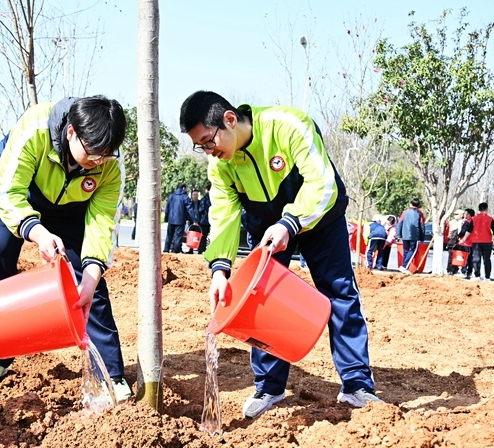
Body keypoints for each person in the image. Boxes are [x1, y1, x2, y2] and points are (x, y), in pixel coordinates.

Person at [179, 90, 381, 419]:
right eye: (200, 146)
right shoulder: (222, 166)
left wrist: (291, 221)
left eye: (207, 141)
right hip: (268, 229)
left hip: (318, 218)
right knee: (260, 298)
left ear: (229, 120)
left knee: (339, 291)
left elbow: (322, 182)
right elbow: (224, 217)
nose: (208, 152)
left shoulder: (287, 125)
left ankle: (357, 384)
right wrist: (220, 270)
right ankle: (269, 386)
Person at [0, 95, 132, 403]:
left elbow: (102, 222)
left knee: (91, 285)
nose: (97, 162)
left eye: (105, 156)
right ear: (71, 132)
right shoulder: (35, 129)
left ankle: (111, 374)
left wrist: (93, 269)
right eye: (92, 154)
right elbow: (8, 190)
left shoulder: (110, 162)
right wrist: (36, 231)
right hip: (16, 191)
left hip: (72, 207)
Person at [468, 202, 494, 281]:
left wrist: (464, 239)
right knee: (487, 260)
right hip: (487, 241)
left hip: (476, 242)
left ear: (479, 209)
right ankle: (487, 277)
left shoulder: (473, 219)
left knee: (476, 259)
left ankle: (477, 276)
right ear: (486, 209)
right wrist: (493, 240)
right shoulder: (490, 219)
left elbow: (469, 230)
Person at [163, 182, 196, 253]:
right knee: (178, 237)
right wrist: (194, 220)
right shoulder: (185, 197)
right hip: (180, 220)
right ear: (183, 188)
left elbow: (167, 208)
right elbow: (190, 209)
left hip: (171, 219)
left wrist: (166, 218)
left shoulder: (171, 196)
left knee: (169, 235)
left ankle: (166, 249)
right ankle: (176, 251)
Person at [396, 198, 425, 274]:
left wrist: (398, 235)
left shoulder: (405, 212)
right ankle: (404, 266)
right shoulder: (419, 213)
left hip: (405, 234)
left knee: (406, 251)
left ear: (411, 204)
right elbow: (422, 226)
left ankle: (404, 267)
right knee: (413, 250)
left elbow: (400, 223)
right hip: (414, 235)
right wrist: (422, 238)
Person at [445, 209, 465, 275]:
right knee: (451, 256)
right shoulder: (451, 222)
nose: (455, 215)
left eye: (457, 214)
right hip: (451, 241)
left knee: (459, 256)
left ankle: (457, 269)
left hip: (460, 242)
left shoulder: (464, 222)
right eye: (454, 214)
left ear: (461, 215)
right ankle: (450, 269)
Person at [457, 209, 475, 279]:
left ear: (469, 215)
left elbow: (463, 232)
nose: (464, 215)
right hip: (473, 243)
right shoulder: (475, 221)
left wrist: (458, 235)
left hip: (465, 243)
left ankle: (463, 272)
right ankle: (469, 273)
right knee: (471, 259)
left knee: (464, 258)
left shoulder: (467, 222)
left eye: (465, 214)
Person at [198, 184, 211, 253]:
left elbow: (200, 209)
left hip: (204, 220)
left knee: (202, 235)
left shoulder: (204, 199)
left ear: (207, 190)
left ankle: (201, 249)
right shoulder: (214, 198)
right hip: (212, 220)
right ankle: (206, 248)